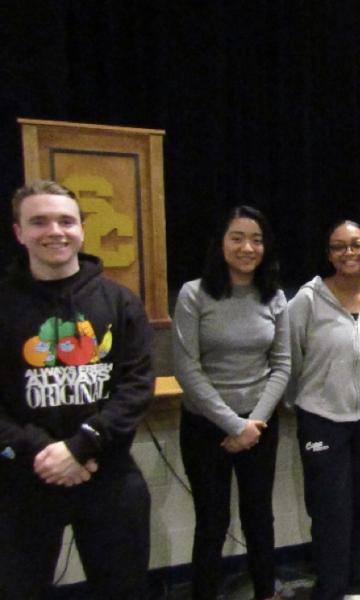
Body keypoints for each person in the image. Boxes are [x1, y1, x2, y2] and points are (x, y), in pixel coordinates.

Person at [0, 180, 154, 598]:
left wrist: (81, 446)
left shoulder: (120, 302)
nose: (55, 231)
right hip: (24, 479)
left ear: (81, 229)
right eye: (40, 221)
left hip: (109, 475)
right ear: (18, 232)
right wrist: (45, 452)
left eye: (66, 220)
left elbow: (137, 386)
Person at [173, 205, 289, 600]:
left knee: (260, 517)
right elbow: (187, 370)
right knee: (211, 519)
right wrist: (234, 425)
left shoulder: (274, 297)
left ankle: (265, 592)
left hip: (259, 425)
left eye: (256, 239)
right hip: (206, 426)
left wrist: (252, 423)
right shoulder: (194, 294)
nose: (247, 247)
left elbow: (282, 366)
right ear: (220, 244)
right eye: (237, 237)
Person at [286, 220, 360, 600]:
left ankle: (357, 585)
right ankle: (330, 588)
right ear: (329, 254)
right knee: (330, 510)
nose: (348, 253)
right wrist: (309, 399)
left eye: (356, 245)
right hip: (321, 419)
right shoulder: (307, 300)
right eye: (339, 247)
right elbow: (291, 357)